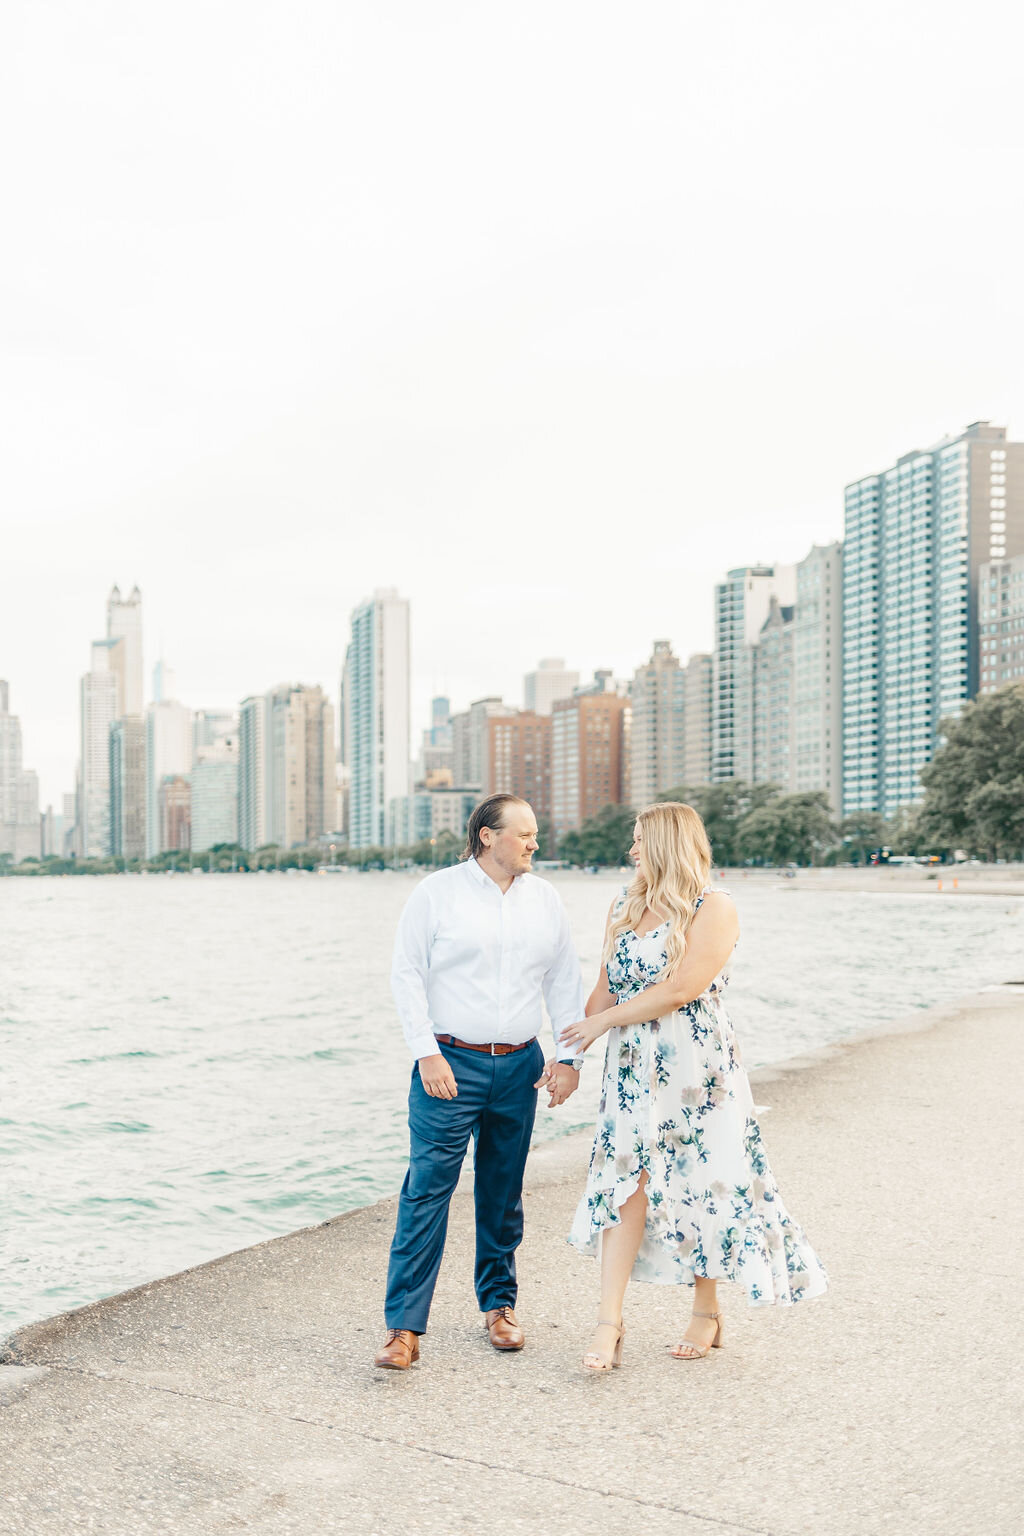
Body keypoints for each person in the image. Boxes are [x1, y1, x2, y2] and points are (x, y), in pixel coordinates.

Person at [557, 801, 827, 1371]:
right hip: (631, 1070)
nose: (630, 849)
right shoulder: (624, 905)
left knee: (704, 1180)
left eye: (638, 839)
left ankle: (706, 1311)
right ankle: (609, 1322)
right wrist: (569, 1056)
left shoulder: (714, 907)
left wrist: (604, 1023)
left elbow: (683, 988)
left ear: (663, 844)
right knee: (624, 1183)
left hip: (698, 1068)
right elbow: (603, 990)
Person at [374, 793, 586, 1370]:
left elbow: (565, 982)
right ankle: (403, 1329)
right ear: (487, 836)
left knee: (503, 1191)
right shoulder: (436, 893)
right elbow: (407, 974)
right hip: (449, 1063)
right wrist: (425, 1053)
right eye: (524, 834)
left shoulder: (545, 900)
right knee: (426, 1193)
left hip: (520, 1065)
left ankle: (499, 1307)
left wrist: (569, 1059)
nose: (534, 844)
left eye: (535, 835)